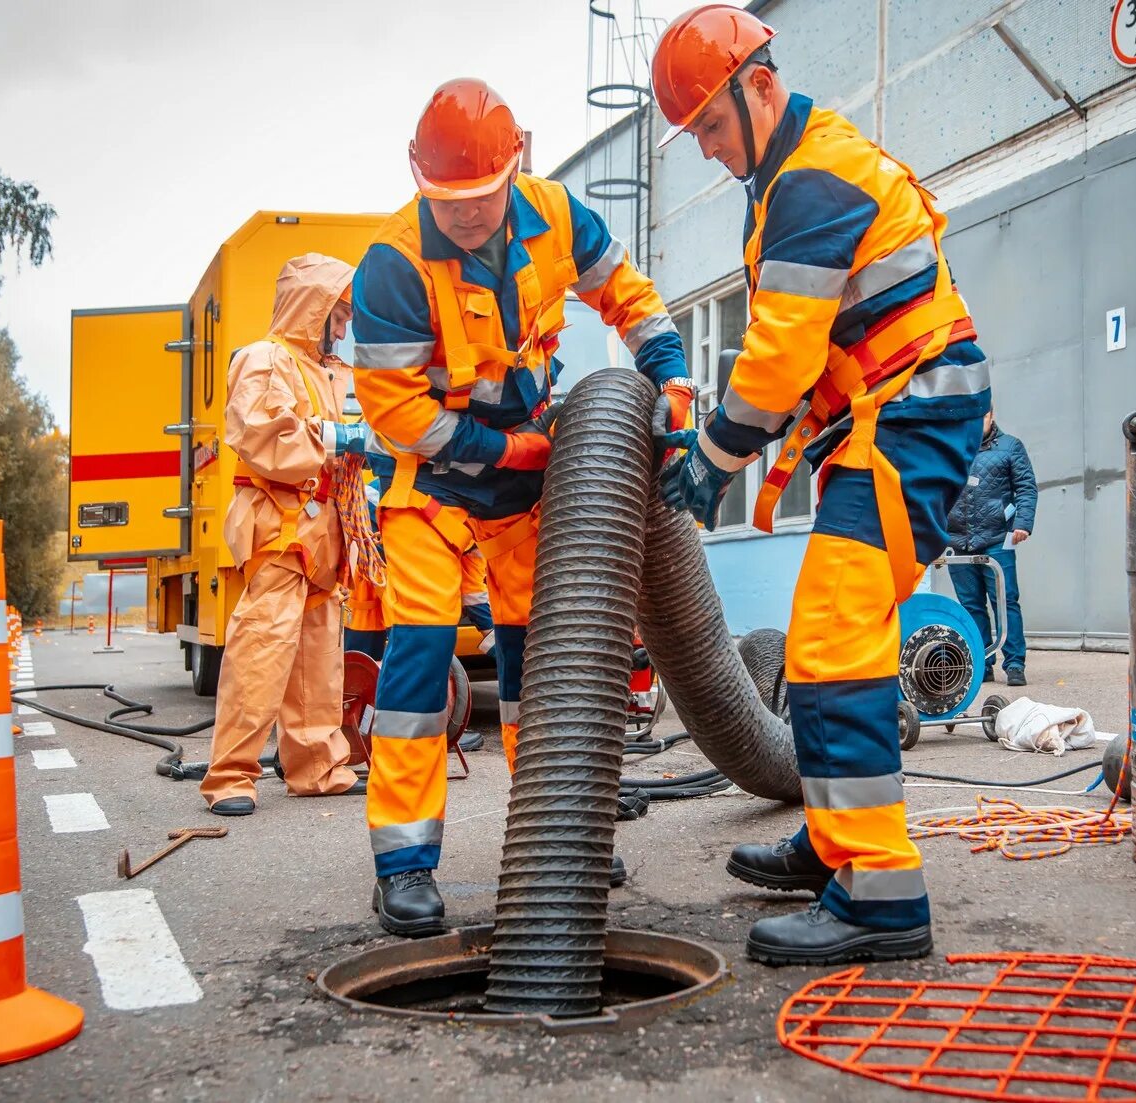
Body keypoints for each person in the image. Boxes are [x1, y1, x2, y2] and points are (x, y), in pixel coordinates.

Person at [651, 5, 989, 966]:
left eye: (713, 125)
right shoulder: (784, 182)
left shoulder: (810, 178)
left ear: (762, 87)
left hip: (915, 410)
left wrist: (711, 463)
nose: (710, 150)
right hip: (887, 416)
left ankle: (880, 899)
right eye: (697, 136)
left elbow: (776, 359)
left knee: (840, 635)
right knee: (825, 631)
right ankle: (834, 843)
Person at [350, 78, 692, 936]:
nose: (465, 217)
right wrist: (502, 450)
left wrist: (671, 371)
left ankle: (555, 837)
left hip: (525, 493)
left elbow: (627, 294)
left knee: (546, 670)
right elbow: (396, 411)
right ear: (419, 182)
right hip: (432, 491)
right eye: (447, 203)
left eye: (480, 198)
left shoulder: (557, 217)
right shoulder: (392, 265)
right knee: (421, 672)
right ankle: (403, 865)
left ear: (516, 165)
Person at [200, 254, 369, 815]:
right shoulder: (265, 359)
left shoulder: (329, 371)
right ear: (312, 308)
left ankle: (319, 767)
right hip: (281, 527)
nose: (343, 327)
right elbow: (261, 436)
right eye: (337, 315)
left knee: (318, 660)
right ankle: (229, 776)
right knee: (262, 652)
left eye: (346, 316)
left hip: (325, 534)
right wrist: (334, 439)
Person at [946, 409, 1036, 686]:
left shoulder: (1010, 447)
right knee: (971, 605)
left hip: (997, 539)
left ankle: (1015, 664)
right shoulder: (951, 451)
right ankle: (982, 662)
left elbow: (1026, 487)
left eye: (980, 417)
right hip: (959, 541)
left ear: (991, 416)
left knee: (1005, 602)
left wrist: (1022, 523)